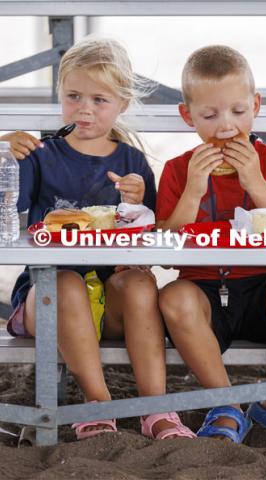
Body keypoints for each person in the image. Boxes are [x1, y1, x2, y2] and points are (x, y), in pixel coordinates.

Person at [7, 36, 195, 441]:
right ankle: (98, 402)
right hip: (49, 301)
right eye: (73, 96)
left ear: (123, 103)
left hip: (110, 303)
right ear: (60, 94)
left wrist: (140, 204)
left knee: (142, 282)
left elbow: (152, 235)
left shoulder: (132, 161)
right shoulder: (41, 153)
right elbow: (7, 205)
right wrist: (4, 156)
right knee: (67, 281)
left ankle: (155, 409)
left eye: (99, 99)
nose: (85, 108)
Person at [156, 45, 266, 444]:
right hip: (203, 292)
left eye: (238, 111)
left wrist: (256, 183)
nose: (226, 127)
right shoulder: (178, 170)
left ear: (256, 105)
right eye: (209, 115)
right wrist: (193, 191)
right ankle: (226, 402)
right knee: (172, 297)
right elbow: (163, 247)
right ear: (187, 116)